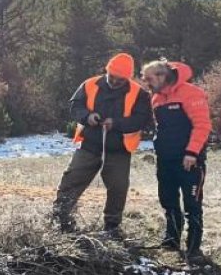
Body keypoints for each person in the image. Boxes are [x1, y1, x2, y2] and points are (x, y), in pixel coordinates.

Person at [51, 52, 152, 235]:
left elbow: (142, 119)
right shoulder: (89, 84)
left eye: (120, 80)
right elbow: (75, 106)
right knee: (70, 182)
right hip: (89, 146)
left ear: (128, 78)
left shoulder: (140, 94)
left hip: (119, 150)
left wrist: (116, 123)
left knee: (118, 189)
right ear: (107, 70)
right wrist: (87, 116)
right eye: (112, 77)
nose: (115, 82)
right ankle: (60, 220)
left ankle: (112, 227)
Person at [143, 59, 213, 261]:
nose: (147, 83)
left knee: (192, 205)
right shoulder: (156, 98)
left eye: (149, 79)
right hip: (165, 159)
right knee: (168, 201)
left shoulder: (191, 93)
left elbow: (202, 125)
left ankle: (194, 247)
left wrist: (191, 153)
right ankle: (171, 241)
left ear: (161, 76)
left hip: (189, 160)